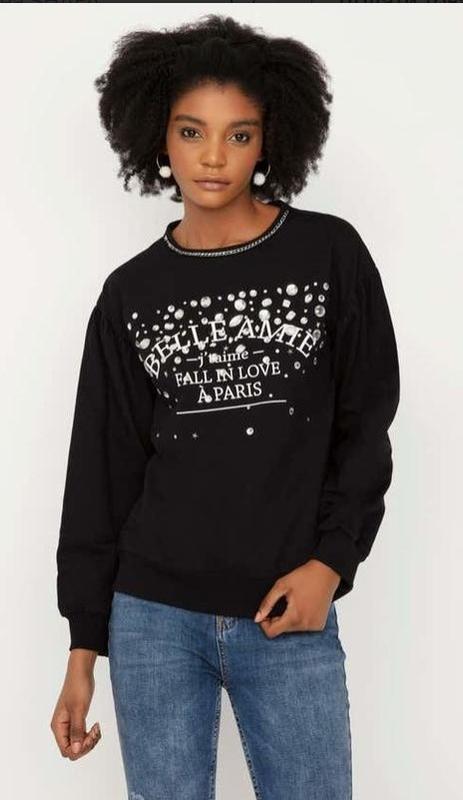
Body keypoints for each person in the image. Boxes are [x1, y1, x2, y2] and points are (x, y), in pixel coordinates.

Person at [50, 13, 400, 799]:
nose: (213, 156)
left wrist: (330, 563)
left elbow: (364, 426)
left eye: (239, 135)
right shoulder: (131, 293)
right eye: (191, 131)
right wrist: (82, 649)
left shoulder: (328, 255)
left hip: (287, 609)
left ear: (270, 140)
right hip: (151, 618)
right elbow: (101, 472)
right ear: (157, 135)